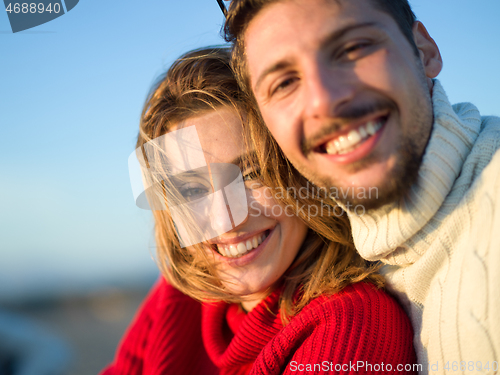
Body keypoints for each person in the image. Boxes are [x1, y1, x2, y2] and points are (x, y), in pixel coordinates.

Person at [101, 47, 417, 374]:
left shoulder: (350, 327)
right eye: (192, 190)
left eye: (252, 173)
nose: (226, 221)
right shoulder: (177, 298)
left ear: (300, 171)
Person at [223, 0, 500, 372]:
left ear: (425, 51)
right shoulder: (336, 233)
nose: (325, 100)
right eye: (285, 82)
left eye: (353, 48)